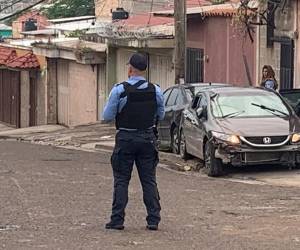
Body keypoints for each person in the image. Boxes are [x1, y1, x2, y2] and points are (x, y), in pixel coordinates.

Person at [103, 53, 165, 231]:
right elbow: (161, 114)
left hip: (125, 139)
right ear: (145, 70)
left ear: (130, 69)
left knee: (121, 180)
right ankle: (153, 219)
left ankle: (117, 219)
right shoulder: (156, 90)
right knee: (149, 180)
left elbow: (107, 116)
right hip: (147, 138)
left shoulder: (119, 90)